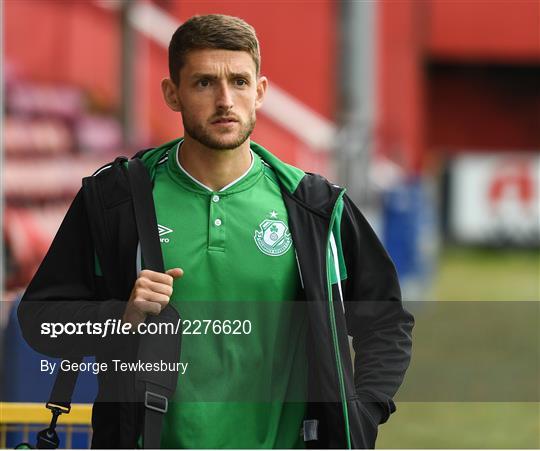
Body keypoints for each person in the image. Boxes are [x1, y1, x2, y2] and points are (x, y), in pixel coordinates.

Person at [18, 14, 414, 449]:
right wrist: (119, 317)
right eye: (205, 83)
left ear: (260, 92)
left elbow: (386, 321)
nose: (226, 100)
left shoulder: (315, 208)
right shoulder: (114, 202)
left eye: (240, 82)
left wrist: (362, 410)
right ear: (173, 94)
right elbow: (41, 322)